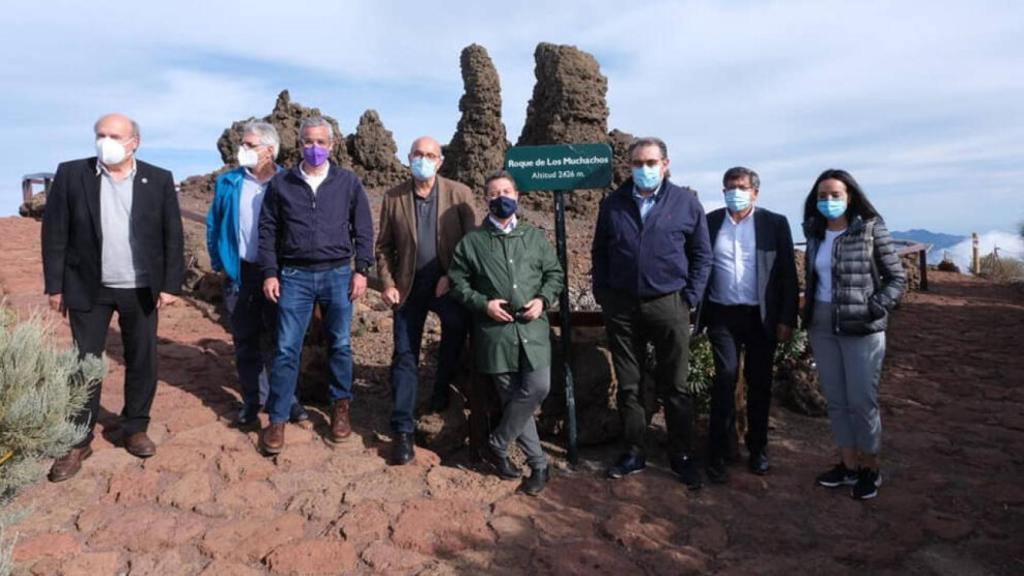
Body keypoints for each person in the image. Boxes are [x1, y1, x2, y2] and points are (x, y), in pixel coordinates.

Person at [41, 113, 185, 481]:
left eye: (114, 135)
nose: (105, 140)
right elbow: (55, 233)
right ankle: (78, 438)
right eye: (100, 134)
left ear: (134, 141)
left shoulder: (159, 178)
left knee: (142, 358)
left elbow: (172, 236)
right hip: (89, 286)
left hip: (140, 288)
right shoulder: (72, 174)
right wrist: (55, 287)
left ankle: (135, 427)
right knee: (84, 364)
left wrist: (170, 285)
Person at [591, 137, 712, 490]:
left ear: (666, 164)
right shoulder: (613, 204)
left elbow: (702, 255)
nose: (644, 169)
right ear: (628, 166)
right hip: (622, 307)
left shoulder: (686, 203)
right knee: (629, 385)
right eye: (637, 163)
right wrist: (604, 293)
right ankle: (633, 451)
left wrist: (688, 298)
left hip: (669, 304)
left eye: (650, 162)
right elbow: (600, 252)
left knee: (675, 385)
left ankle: (681, 456)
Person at [257, 116, 374, 455]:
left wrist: (361, 269)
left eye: (321, 142)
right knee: (286, 348)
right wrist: (269, 272)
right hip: (294, 275)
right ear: (299, 144)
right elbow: (267, 232)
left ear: (332, 146)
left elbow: (363, 229)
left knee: (340, 344)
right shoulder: (282, 184)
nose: (315, 148)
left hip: (338, 273)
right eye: (308, 141)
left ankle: (340, 408)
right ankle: (277, 419)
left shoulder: (348, 182)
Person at [448, 171, 564, 496]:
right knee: (514, 399)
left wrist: (542, 300)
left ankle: (496, 442)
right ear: (486, 200)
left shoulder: (534, 237)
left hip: (533, 332)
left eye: (507, 191)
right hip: (495, 336)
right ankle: (539, 465)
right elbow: (458, 282)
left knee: (538, 388)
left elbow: (554, 274)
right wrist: (483, 305)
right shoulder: (472, 242)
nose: (502, 197)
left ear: (518, 196)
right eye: (494, 193)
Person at [802, 169, 906, 500]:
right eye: (822, 196)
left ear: (850, 197)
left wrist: (875, 306)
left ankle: (870, 469)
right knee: (837, 400)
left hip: (861, 327)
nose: (828, 201)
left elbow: (896, 279)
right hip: (822, 323)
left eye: (835, 195)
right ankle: (848, 465)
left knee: (862, 401)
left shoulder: (871, 229)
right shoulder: (815, 232)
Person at [376, 136, 477, 465]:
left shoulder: (459, 194)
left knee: (454, 335)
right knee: (405, 354)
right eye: (418, 154)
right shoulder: (394, 197)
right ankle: (402, 430)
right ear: (408, 158)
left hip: (447, 285)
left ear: (440, 161)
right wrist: (388, 284)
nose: (423, 159)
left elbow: (472, 244)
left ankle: (439, 393)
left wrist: (453, 276)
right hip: (408, 287)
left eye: (430, 155)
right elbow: (383, 248)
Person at [206, 121, 308, 428]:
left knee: (283, 340)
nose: (243, 150)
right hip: (241, 272)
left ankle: (287, 400)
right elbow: (214, 223)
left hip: (281, 273)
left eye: (250, 145)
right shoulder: (228, 182)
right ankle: (252, 402)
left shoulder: (290, 182)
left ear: (270, 150)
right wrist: (218, 262)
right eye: (243, 144)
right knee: (245, 341)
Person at [699, 167, 798, 483]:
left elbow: (787, 276)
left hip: (761, 317)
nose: (734, 192)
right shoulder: (711, 221)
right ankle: (718, 453)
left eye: (741, 187)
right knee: (724, 380)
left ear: (755, 192)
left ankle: (758, 450)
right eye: (729, 187)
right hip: (722, 314)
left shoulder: (774, 224)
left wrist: (786, 319)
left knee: (760, 384)